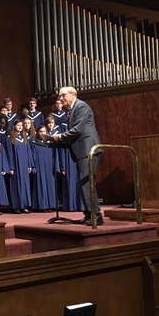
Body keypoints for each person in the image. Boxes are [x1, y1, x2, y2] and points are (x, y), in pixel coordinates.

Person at [51, 86, 103, 225]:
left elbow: (78, 129)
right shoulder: (72, 109)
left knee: (87, 183)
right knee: (84, 183)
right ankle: (89, 215)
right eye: (60, 96)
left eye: (63, 95)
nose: (60, 99)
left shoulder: (81, 106)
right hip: (81, 150)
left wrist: (60, 136)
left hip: (88, 149)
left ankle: (96, 216)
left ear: (73, 94)